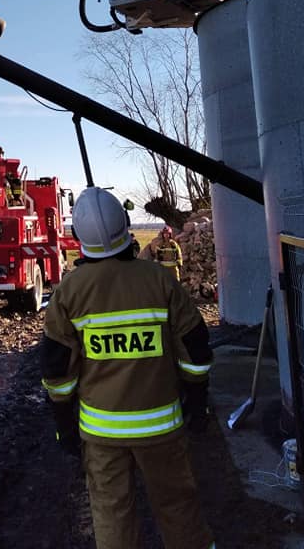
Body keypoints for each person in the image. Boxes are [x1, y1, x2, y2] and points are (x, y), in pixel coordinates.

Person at [41, 188, 214, 549]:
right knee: (179, 509)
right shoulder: (159, 280)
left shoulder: (68, 292)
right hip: (162, 428)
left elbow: (57, 371)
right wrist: (197, 402)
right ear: (125, 227)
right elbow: (195, 349)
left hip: (102, 436)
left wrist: (63, 426)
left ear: (78, 238)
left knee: (112, 514)